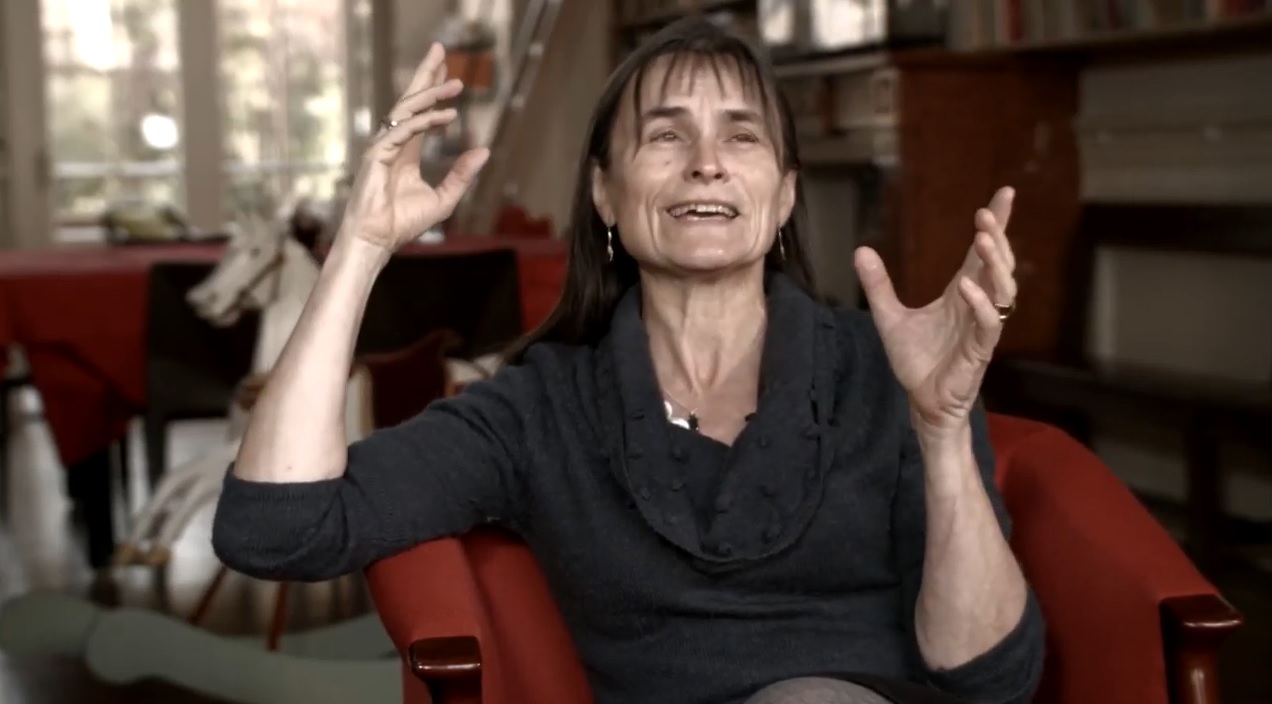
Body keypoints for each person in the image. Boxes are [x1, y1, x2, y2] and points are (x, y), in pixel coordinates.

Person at [211, 17, 1045, 704]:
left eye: (741, 135)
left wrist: (942, 429)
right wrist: (359, 248)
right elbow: (276, 530)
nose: (706, 162)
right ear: (605, 193)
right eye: (666, 135)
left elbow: (990, 678)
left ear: (785, 194)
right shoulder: (542, 407)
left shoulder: (889, 371)